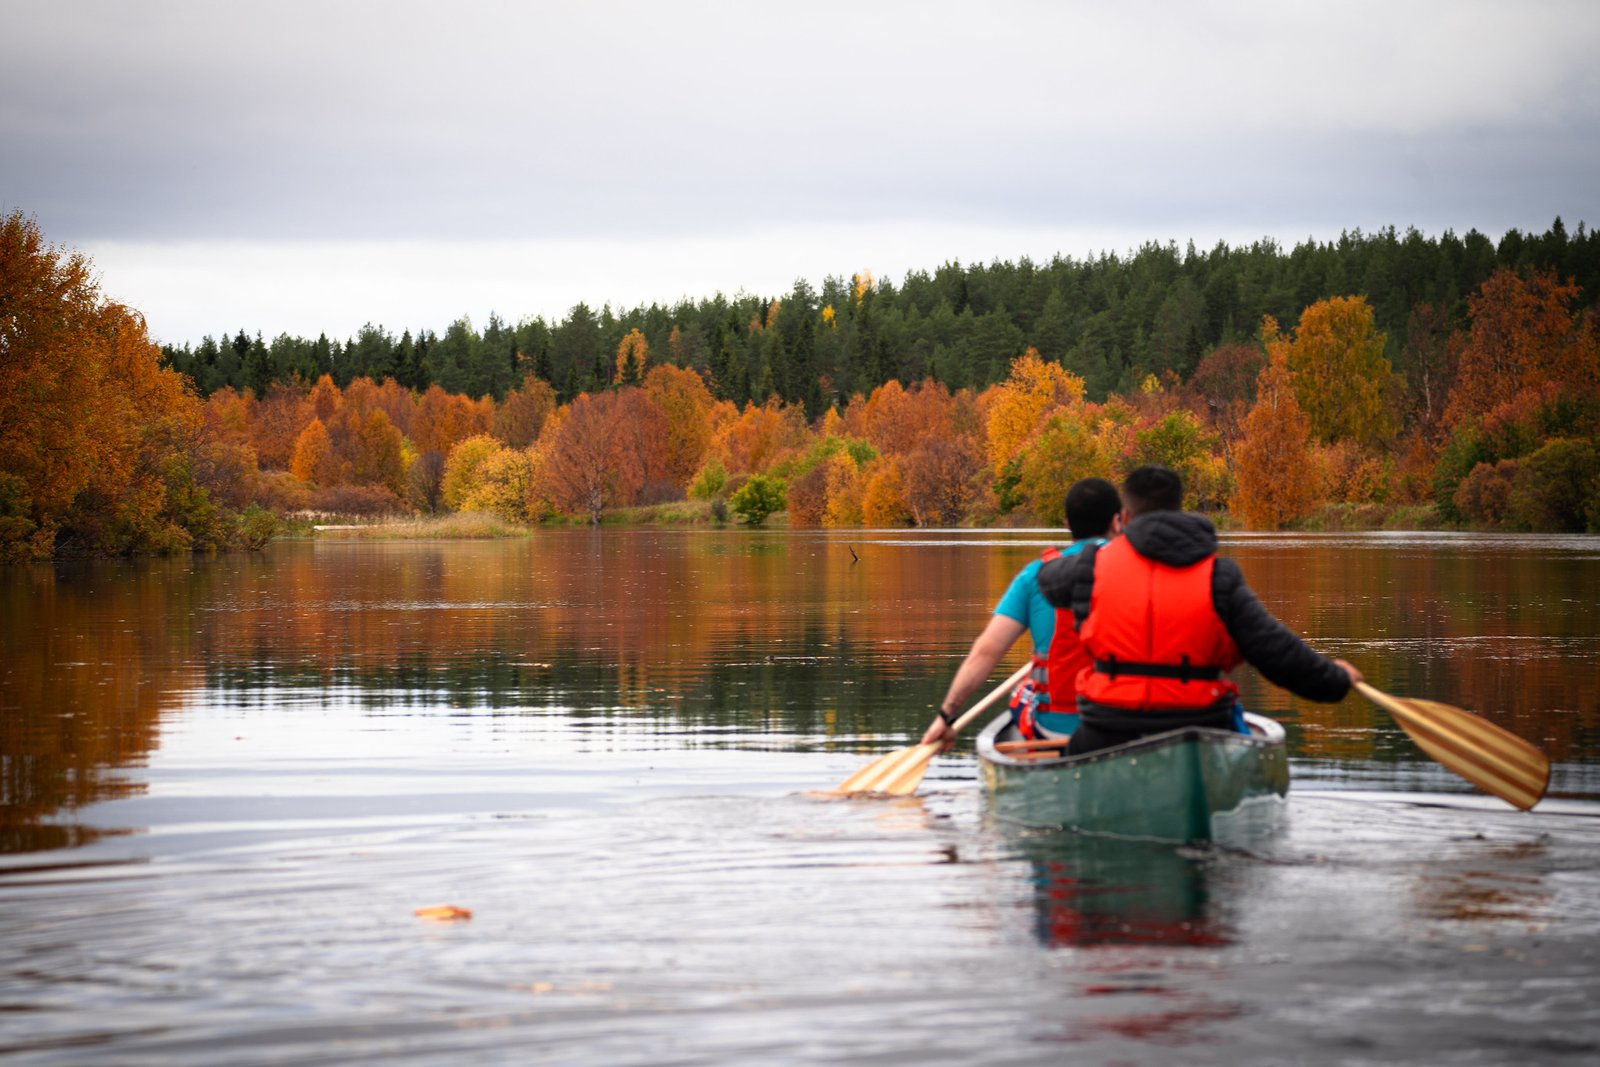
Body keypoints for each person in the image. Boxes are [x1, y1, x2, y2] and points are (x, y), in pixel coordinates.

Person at [1037, 464, 1363, 756]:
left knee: (1072, 756)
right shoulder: (1220, 577)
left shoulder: (1091, 567)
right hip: (1199, 726)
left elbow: (1048, 580)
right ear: (1179, 509)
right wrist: (1334, 679)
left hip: (1109, 727)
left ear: (1124, 518)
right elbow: (1275, 650)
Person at [919, 477, 1123, 751]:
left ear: (1067, 524)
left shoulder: (1034, 576)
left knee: (1025, 694)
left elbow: (985, 652)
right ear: (1117, 521)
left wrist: (946, 715)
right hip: (1123, 724)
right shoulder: (1140, 573)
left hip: (1051, 730)